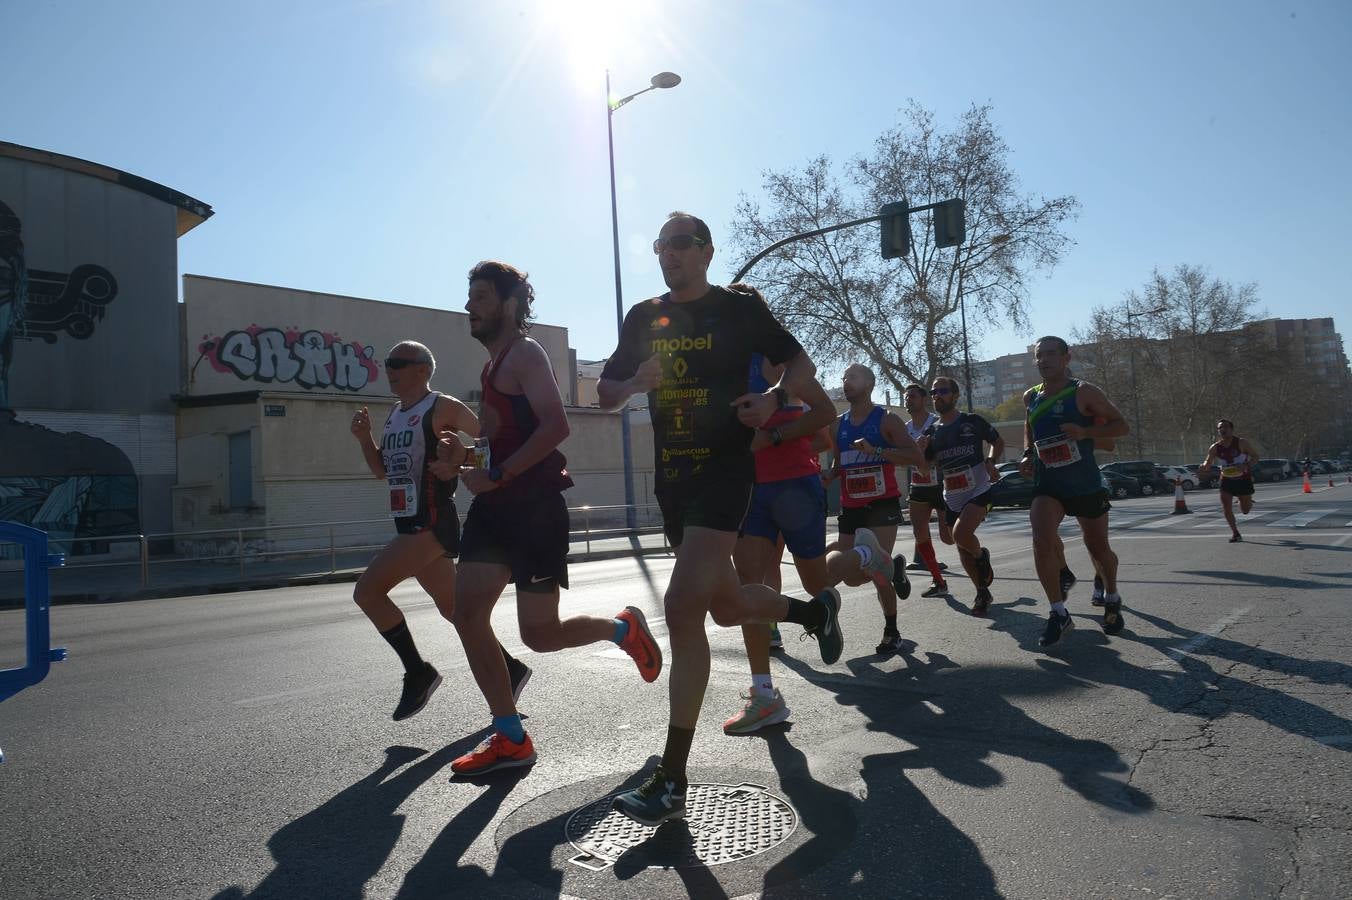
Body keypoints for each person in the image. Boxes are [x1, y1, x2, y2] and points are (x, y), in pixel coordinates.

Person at [597, 212, 892, 826]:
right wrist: (631, 382)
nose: (668, 254)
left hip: (727, 475)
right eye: (661, 244)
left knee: (682, 609)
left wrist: (774, 401)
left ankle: (671, 777)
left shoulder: (738, 311)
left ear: (706, 251)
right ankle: (812, 611)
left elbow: (805, 375)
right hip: (673, 482)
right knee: (726, 606)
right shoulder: (643, 317)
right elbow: (604, 392)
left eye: (680, 244)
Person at [446, 261, 662, 776]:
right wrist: (467, 457)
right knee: (467, 613)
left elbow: (556, 425)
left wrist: (497, 474)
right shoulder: (493, 363)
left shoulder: (525, 353)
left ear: (510, 303)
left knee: (539, 635)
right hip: (495, 509)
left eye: (479, 295)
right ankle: (511, 735)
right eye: (469, 295)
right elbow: (503, 440)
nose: (469, 305)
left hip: (535, 508)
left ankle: (622, 629)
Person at [349, 341, 530, 720]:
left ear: (422, 370)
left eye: (398, 363)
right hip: (408, 519)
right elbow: (382, 470)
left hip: (432, 521)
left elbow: (495, 444)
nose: (390, 370)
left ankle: (418, 671)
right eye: (388, 363)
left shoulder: (442, 406)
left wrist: (461, 457)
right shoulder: (396, 414)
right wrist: (365, 439)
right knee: (455, 610)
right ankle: (511, 668)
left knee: (367, 592)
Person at [726, 323, 837, 735]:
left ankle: (866, 558)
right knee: (746, 587)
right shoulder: (717, 371)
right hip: (751, 493)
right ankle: (765, 696)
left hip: (796, 488)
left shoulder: (783, 369)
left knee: (816, 581)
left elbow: (826, 422)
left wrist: (773, 434)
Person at [1018, 336, 1130, 646]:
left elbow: (1121, 426)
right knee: (1041, 539)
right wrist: (1028, 454)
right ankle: (1058, 613)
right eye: (1039, 356)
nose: (1044, 360)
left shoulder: (1084, 393)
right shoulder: (1031, 397)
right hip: (1048, 482)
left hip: (1083, 482)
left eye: (1051, 354)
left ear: (1067, 357)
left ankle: (1111, 595)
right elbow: (1030, 428)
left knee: (1098, 548)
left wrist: (1085, 432)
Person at [825, 364, 922, 652]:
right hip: (850, 508)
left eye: (852, 377)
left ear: (869, 384)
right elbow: (841, 463)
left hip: (881, 505)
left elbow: (915, 455)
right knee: (851, 576)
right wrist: (830, 474)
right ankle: (895, 569)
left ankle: (891, 630)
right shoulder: (837, 425)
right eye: (843, 378)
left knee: (875, 572)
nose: (846, 382)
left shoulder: (887, 420)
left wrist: (877, 451)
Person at [916, 377, 1002, 616]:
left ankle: (981, 556)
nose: (937, 396)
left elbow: (997, 441)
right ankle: (982, 591)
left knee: (960, 534)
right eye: (933, 392)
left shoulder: (971, 421)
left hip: (979, 488)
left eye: (942, 391)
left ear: (955, 395)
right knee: (962, 547)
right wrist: (921, 450)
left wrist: (991, 461)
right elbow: (924, 469)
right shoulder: (932, 432)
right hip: (952, 494)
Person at [900, 383, 950, 597]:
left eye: (912, 396)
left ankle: (978, 555)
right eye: (905, 396)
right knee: (919, 532)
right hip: (919, 485)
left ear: (923, 400)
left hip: (941, 484)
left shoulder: (936, 423)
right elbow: (902, 457)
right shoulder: (904, 427)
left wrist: (930, 460)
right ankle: (938, 581)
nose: (907, 399)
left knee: (949, 536)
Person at [1199, 420, 1260, 543]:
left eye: (1225, 427)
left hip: (1243, 479)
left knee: (1245, 510)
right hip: (1226, 479)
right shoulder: (1215, 447)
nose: (1223, 429)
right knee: (1226, 507)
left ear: (1232, 429)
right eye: (1220, 428)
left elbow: (1256, 457)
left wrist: (1246, 465)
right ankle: (1235, 533)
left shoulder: (1242, 443)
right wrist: (1203, 467)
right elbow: (1208, 462)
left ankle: (1245, 500)